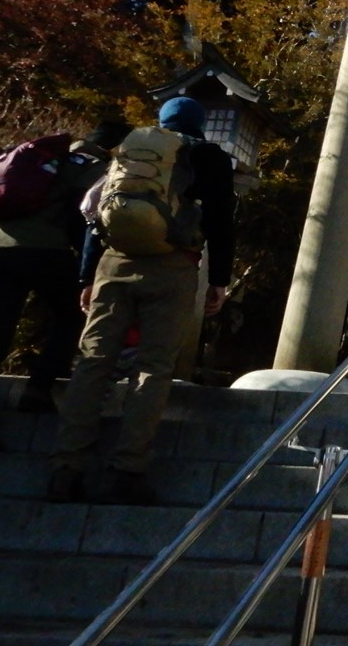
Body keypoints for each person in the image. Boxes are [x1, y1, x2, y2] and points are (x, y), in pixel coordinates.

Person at [47, 98, 235, 504]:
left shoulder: (132, 154)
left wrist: (87, 276)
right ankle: (126, 471)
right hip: (173, 267)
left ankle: (67, 468)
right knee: (152, 367)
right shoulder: (209, 157)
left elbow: (97, 213)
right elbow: (221, 220)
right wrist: (219, 279)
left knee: (93, 362)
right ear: (202, 123)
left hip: (114, 263)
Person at [0, 122, 128, 439]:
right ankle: (39, 389)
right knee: (71, 314)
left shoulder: (45, 157)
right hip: (47, 250)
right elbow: (86, 218)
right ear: (113, 148)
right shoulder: (93, 167)